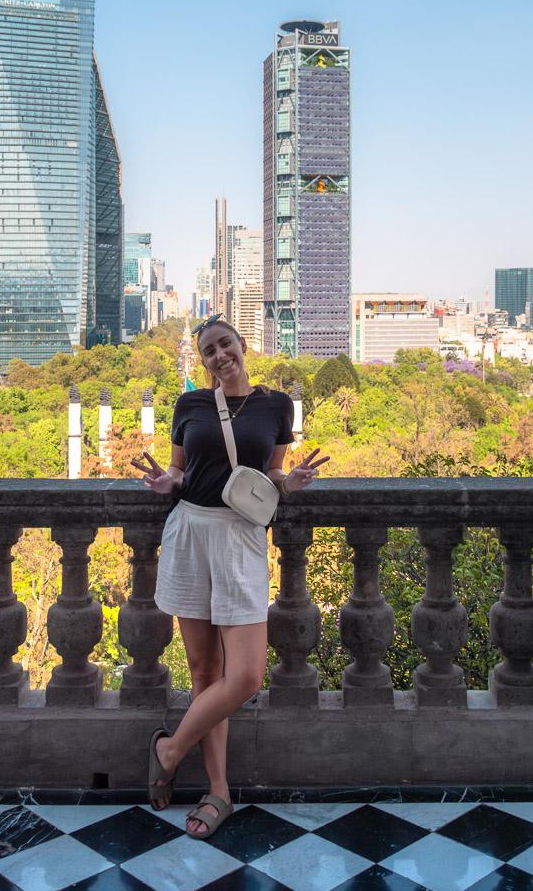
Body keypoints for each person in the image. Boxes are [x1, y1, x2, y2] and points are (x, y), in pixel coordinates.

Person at [132, 314, 329, 838]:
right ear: (203, 363)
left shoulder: (276, 405)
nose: (220, 357)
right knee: (204, 671)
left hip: (241, 538)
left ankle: (168, 749)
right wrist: (164, 480)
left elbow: (267, 474)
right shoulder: (190, 404)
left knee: (243, 676)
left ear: (244, 345)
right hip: (191, 532)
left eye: (226, 345)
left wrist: (291, 481)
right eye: (209, 353)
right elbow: (179, 469)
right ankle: (219, 791)